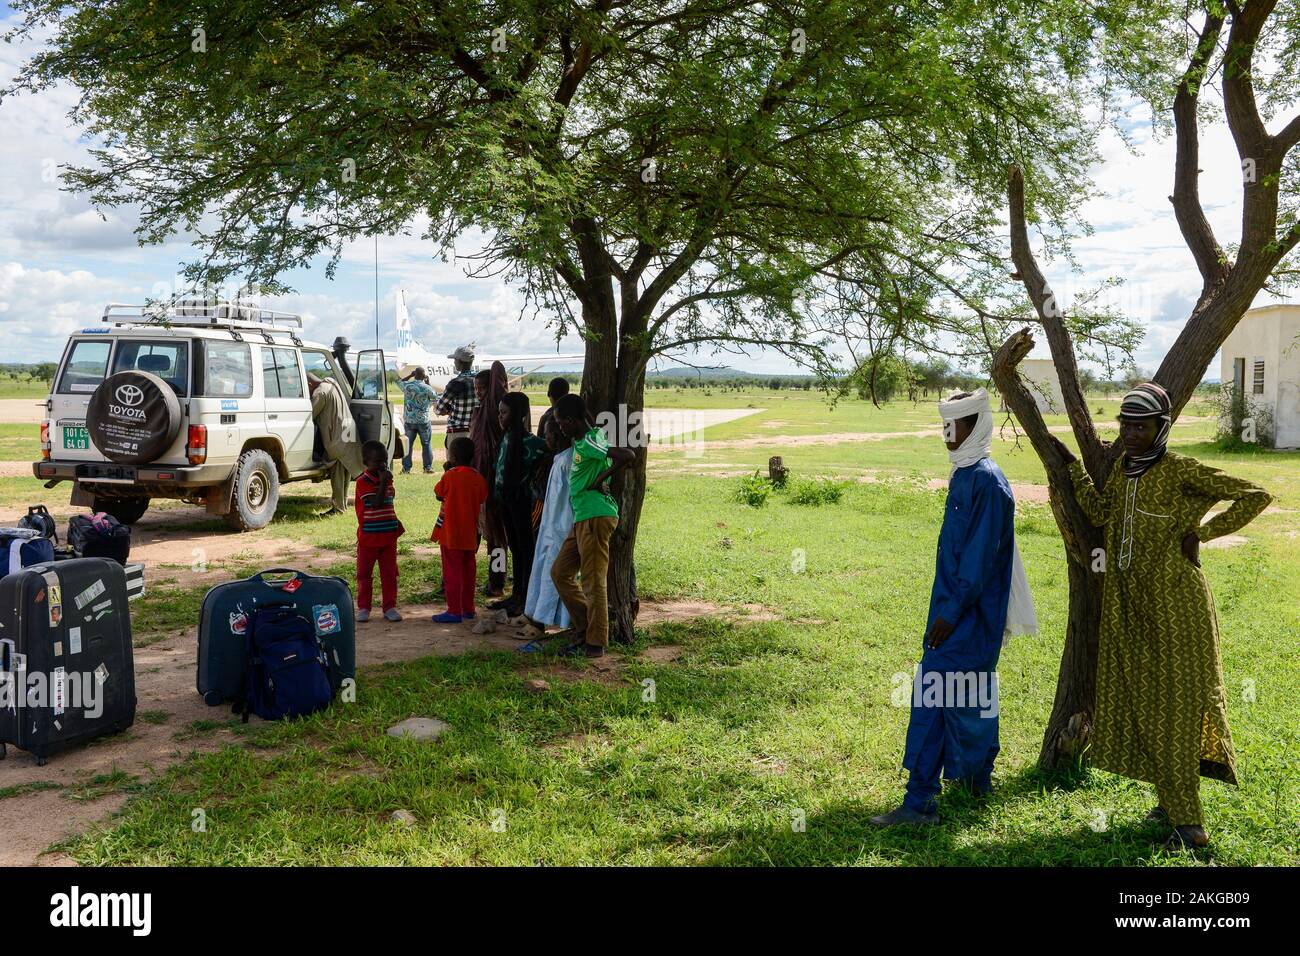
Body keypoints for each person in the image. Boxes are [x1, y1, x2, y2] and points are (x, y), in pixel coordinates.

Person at [1050, 382, 1271, 851]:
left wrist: (1203, 533)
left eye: (1141, 425)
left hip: (1176, 606)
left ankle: (1190, 827)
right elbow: (1103, 512)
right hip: (1129, 606)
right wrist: (1072, 471)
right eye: (1126, 424)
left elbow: (1254, 494)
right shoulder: (1124, 472)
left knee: (1175, 706)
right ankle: (1170, 803)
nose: (1130, 433)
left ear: (1161, 428)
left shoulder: (1180, 470)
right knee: (1146, 700)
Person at [871, 388, 1037, 827]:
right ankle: (980, 781)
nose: (947, 434)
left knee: (933, 698)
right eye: (943, 425)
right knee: (970, 694)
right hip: (953, 609)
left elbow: (979, 560)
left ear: (976, 425)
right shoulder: (964, 472)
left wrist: (950, 614)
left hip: (966, 616)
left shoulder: (987, 480)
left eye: (954, 426)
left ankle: (919, 803)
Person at [551, 393, 634, 658]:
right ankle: (584, 628)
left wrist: (600, 480)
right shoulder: (590, 437)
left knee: (593, 580)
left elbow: (627, 455)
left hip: (595, 517)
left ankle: (595, 644)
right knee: (560, 573)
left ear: (573, 421)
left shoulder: (589, 442)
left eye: (561, 421)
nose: (559, 427)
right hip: (583, 518)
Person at [520, 418, 575, 643]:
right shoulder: (558, 459)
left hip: (562, 525)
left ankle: (556, 621)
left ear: (560, 434)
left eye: (549, 434)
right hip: (551, 525)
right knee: (543, 569)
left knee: (556, 573)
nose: (546, 438)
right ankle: (537, 617)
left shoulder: (568, 460)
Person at [495, 391, 548, 617]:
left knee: (526, 550)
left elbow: (551, 455)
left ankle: (526, 597)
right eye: (499, 413)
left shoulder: (533, 443)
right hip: (505, 501)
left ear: (517, 414)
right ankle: (516, 594)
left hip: (523, 503)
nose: (500, 417)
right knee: (515, 547)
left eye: (504, 413)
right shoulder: (506, 437)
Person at [432, 436, 489, 624]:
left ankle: (454, 610)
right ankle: (468, 609)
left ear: (453, 458)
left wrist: (448, 471)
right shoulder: (478, 477)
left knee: (452, 572)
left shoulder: (449, 476)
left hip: (450, 535)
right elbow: (482, 497)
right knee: (468, 572)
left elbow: (439, 493)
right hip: (470, 535)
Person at [470, 362, 510, 599]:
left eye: (483, 387)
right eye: (476, 388)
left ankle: (497, 582)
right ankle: (455, 578)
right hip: (474, 482)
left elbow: (496, 370)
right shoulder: (479, 412)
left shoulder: (495, 409)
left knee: (496, 538)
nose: (479, 392)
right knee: (469, 533)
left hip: (493, 482)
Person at [354, 439, 404, 623]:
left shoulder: (387, 479)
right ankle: (364, 607)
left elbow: (390, 499)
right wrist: (383, 482)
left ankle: (389, 606)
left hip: (388, 536)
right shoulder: (362, 482)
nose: (382, 465)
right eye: (377, 462)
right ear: (366, 463)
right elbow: (375, 503)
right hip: (369, 537)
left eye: (384, 460)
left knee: (390, 574)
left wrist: (385, 481)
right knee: (364, 574)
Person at [308, 372, 364, 515]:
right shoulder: (332, 384)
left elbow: (310, 414)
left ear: (309, 384)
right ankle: (342, 504)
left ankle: (338, 508)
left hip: (337, 437)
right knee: (345, 470)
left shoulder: (320, 393)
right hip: (348, 431)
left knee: (337, 473)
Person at [435, 344, 478, 458]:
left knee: (455, 466)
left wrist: (449, 410)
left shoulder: (456, 383)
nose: (454, 362)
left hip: (457, 433)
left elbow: (438, 409)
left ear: (459, 361)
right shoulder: (480, 380)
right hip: (477, 431)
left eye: (455, 360)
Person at [397, 366, 438, 474]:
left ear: (415, 374)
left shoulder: (407, 386)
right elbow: (434, 396)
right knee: (426, 444)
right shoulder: (426, 388)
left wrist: (410, 375)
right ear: (424, 376)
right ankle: (427, 467)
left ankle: (406, 468)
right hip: (423, 420)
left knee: (408, 445)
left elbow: (399, 381)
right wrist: (428, 382)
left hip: (409, 420)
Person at [536, 376, 570, 442]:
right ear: (567, 394)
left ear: (548, 394)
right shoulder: (576, 414)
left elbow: (540, 443)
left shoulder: (546, 417)